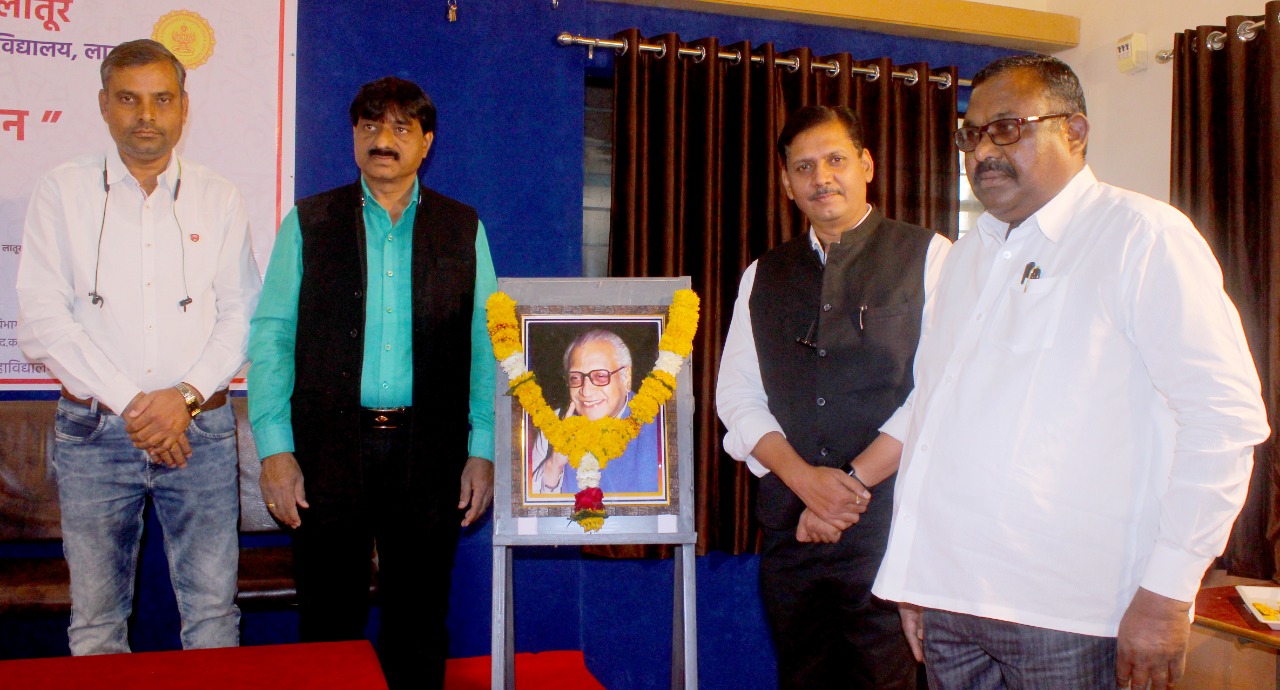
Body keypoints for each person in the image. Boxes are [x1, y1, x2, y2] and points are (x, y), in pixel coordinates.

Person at [865, 55, 1270, 690]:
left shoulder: (1142, 236)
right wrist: (917, 579)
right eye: (971, 135)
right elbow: (933, 412)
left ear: (1075, 131)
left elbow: (1224, 420)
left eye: (1007, 128)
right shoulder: (966, 256)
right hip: (952, 600)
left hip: (1073, 614)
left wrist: (1168, 590)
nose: (983, 152)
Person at [247, 76, 496, 689]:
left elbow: (486, 342)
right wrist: (275, 450)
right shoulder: (309, 222)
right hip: (328, 452)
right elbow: (272, 335)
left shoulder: (462, 227)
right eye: (369, 127)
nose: (383, 140)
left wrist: (483, 447)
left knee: (419, 622)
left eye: (401, 128)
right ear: (354, 137)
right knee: (328, 622)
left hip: (429, 454)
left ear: (426, 142)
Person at [15, 39, 260, 654]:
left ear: (184, 108)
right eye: (129, 99)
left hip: (200, 432)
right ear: (104, 105)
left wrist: (184, 397)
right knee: (96, 621)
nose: (146, 115)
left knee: (212, 614)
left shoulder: (218, 196)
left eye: (162, 99)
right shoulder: (62, 191)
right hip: (95, 432)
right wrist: (137, 406)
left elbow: (242, 315)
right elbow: (42, 321)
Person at [716, 105, 950, 689]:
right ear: (786, 183)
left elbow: (941, 392)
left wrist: (847, 486)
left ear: (866, 165)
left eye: (835, 159)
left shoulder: (931, 257)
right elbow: (737, 397)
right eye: (804, 167)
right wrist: (805, 483)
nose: (821, 178)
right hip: (791, 531)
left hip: (890, 529)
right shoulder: (762, 274)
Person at [530, 329, 662, 495]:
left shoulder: (661, 426)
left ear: (626, 378)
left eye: (600, 376)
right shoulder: (555, 426)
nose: (586, 391)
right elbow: (530, 507)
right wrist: (554, 466)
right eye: (575, 378)